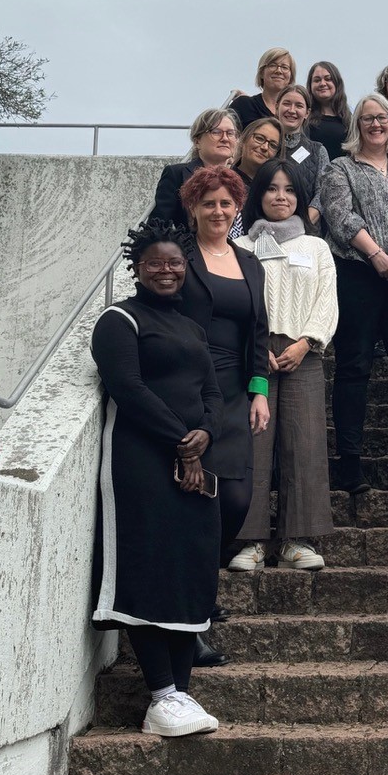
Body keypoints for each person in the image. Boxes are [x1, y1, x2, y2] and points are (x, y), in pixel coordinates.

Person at [91, 218, 223, 737]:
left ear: (186, 266)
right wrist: (181, 442)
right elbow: (128, 387)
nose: (166, 270)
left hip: (194, 456)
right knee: (150, 565)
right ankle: (161, 695)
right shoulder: (119, 319)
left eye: (174, 262)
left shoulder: (192, 329)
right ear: (138, 268)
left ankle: (182, 695)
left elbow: (213, 393)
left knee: (189, 564)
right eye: (155, 264)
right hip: (140, 461)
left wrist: (205, 436)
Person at [176, 166, 270, 661]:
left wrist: (260, 390)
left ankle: (198, 592)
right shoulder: (179, 257)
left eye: (226, 204)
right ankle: (193, 616)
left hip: (235, 390)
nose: (218, 211)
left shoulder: (250, 262)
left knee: (235, 499)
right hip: (189, 388)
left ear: (238, 209)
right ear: (193, 208)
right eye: (208, 203)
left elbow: (259, 331)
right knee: (196, 504)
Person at [231, 160, 339, 570]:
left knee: (305, 443)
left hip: (303, 354)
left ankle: (297, 541)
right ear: (257, 196)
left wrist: (307, 342)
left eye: (290, 190)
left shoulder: (317, 247)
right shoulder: (238, 248)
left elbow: (327, 300)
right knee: (253, 444)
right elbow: (235, 304)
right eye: (272, 189)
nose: (281, 197)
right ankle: (251, 541)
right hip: (253, 355)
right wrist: (256, 349)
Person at [320, 93, 388, 495]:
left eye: (382, 117)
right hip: (359, 274)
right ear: (356, 126)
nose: (376, 124)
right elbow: (340, 215)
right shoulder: (339, 169)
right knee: (353, 367)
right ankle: (350, 467)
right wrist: (377, 255)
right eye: (367, 119)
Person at [150, 108, 239, 229]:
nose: (225, 138)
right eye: (216, 132)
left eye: (230, 133)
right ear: (197, 141)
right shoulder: (176, 174)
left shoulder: (240, 182)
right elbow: (157, 227)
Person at [275, 84, 329, 232]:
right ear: (276, 107)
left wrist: (301, 226)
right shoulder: (265, 146)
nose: (292, 110)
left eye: (299, 105)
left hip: (306, 234)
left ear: (307, 113)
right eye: (287, 103)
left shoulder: (318, 151)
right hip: (268, 230)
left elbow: (322, 194)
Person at [229, 47, 296, 128]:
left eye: (284, 67)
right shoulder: (244, 105)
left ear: (291, 77)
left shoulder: (294, 114)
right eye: (272, 65)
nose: (278, 71)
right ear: (261, 73)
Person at [306, 60, 350, 162]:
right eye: (317, 80)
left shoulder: (349, 120)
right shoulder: (304, 118)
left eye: (328, 79)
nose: (322, 84)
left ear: (337, 83)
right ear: (310, 85)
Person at [232, 117, 282, 186]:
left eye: (273, 145)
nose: (265, 147)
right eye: (259, 138)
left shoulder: (273, 192)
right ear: (244, 139)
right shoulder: (222, 179)